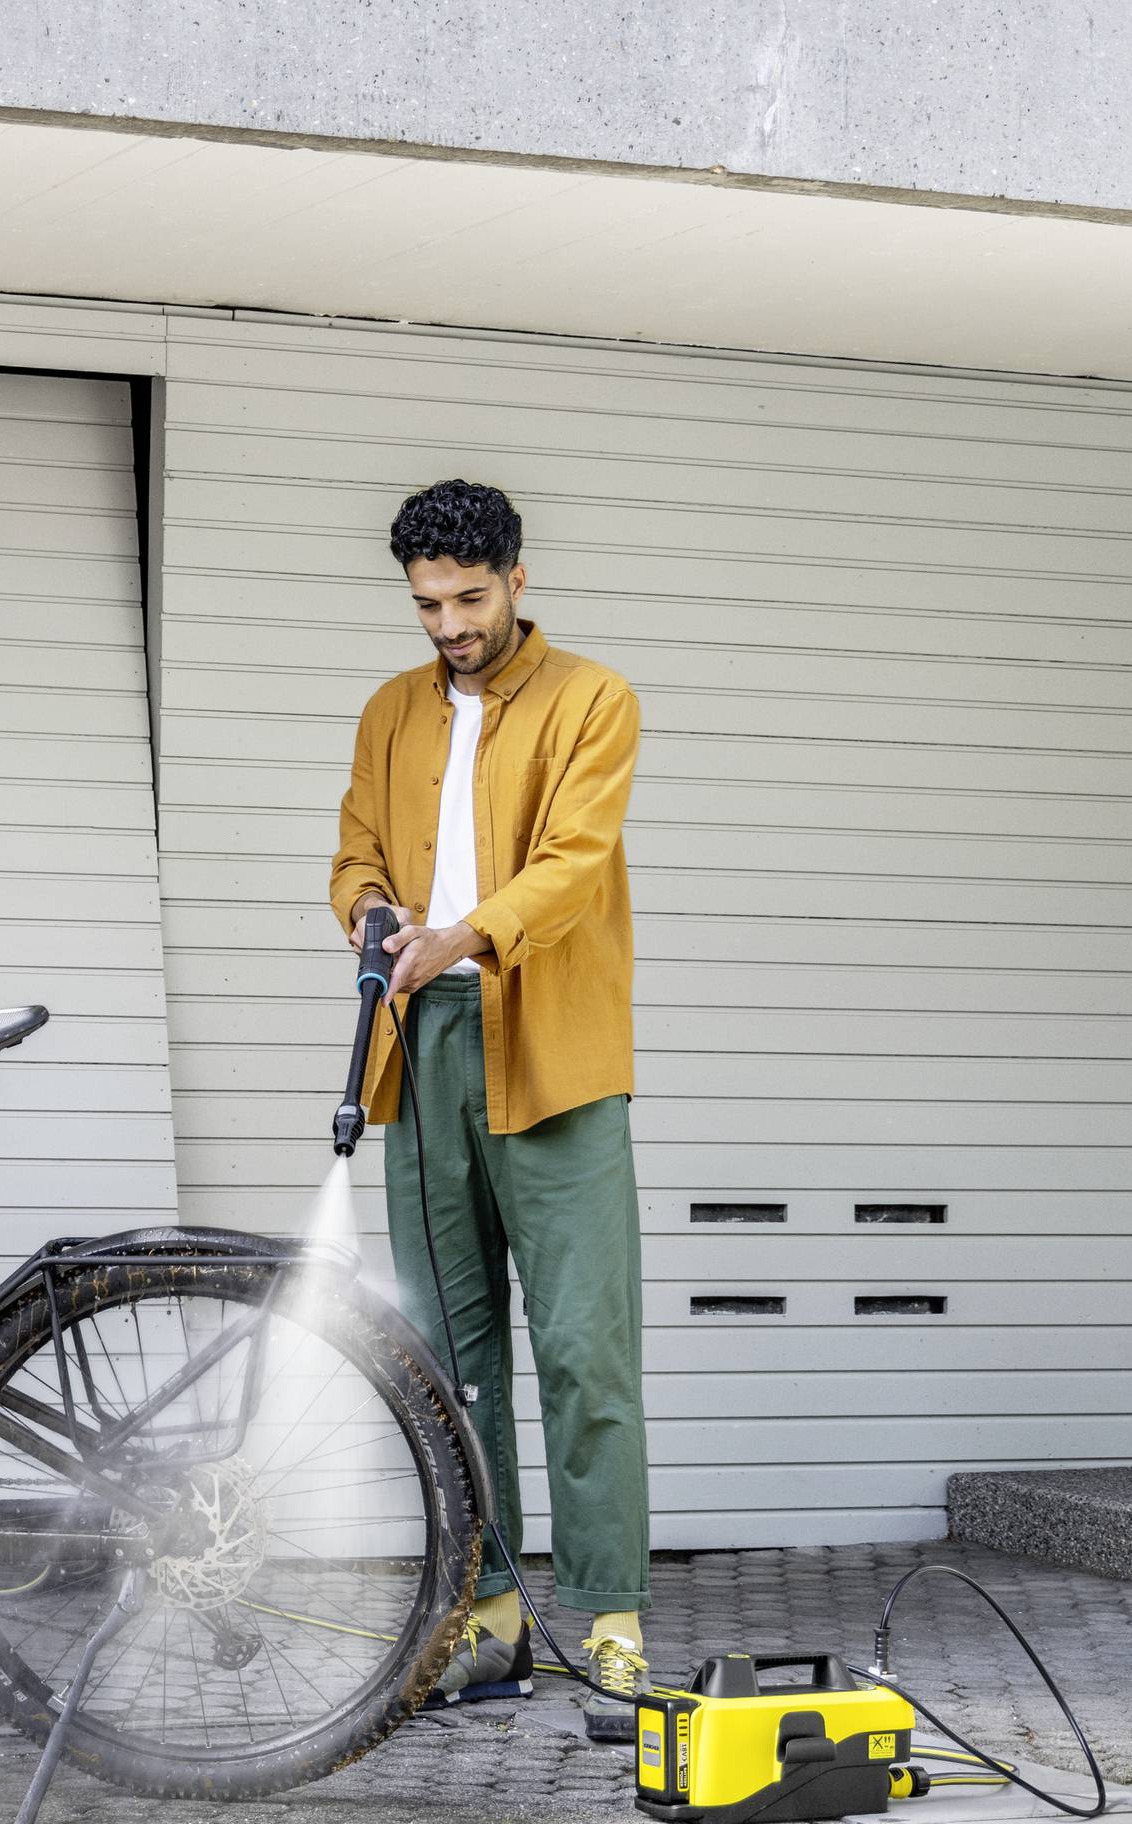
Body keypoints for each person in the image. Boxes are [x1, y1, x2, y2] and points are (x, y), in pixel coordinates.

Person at [328, 479, 653, 1739]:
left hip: (554, 1050)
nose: (450, 624)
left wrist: (466, 929)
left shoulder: (592, 699)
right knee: (452, 1363)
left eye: (469, 598)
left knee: (584, 1350)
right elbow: (356, 848)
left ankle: (615, 1619)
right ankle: (489, 1620)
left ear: (519, 579)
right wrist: (370, 912)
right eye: (428, 604)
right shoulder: (389, 711)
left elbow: (573, 864)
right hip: (425, 1051)